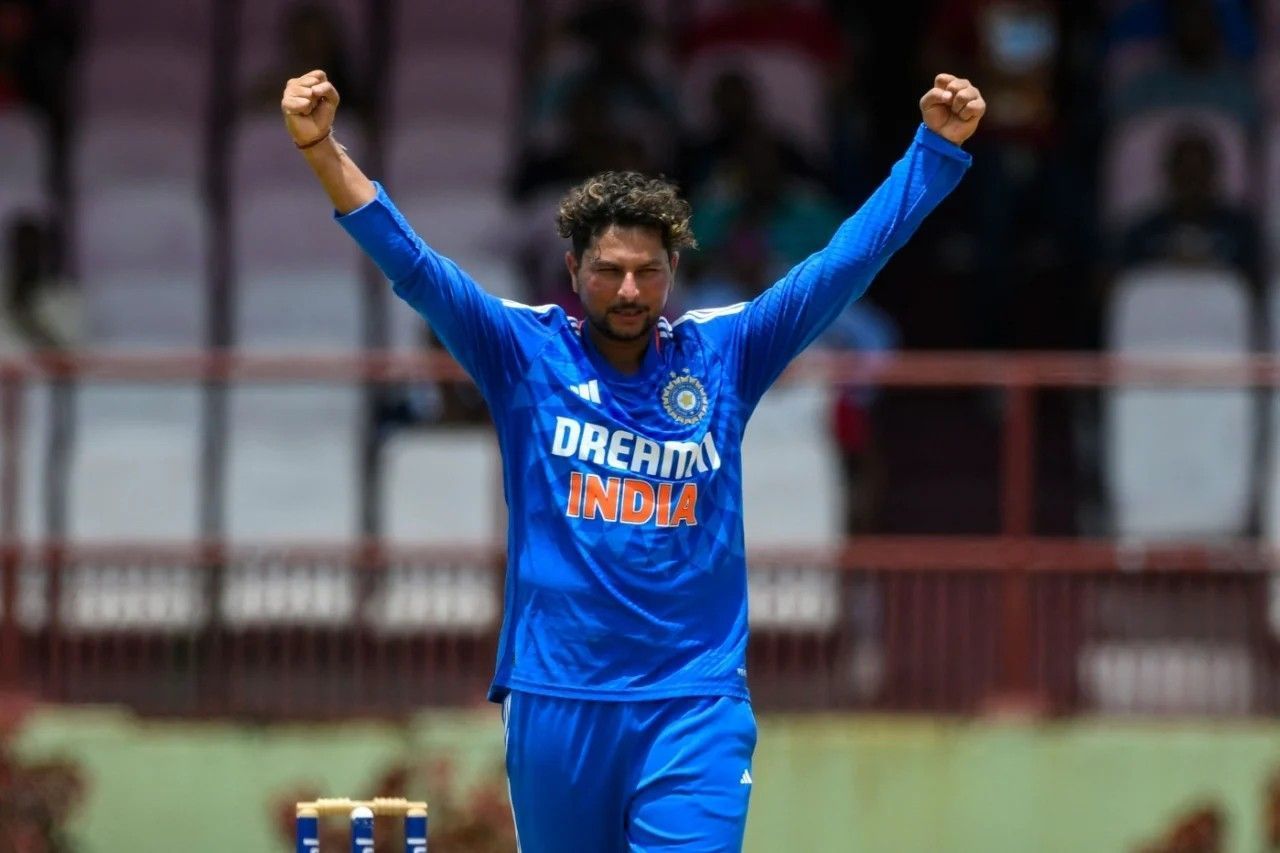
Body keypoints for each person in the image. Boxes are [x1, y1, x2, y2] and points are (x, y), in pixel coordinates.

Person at [281, 67, 983, 851]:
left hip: (694, 701)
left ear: (673, 272)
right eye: (609, 269)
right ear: (574, 269)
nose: (628, 289)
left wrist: (931, 152)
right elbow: (415, 267)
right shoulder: (522, 351)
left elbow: (841, 266)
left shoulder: (726, 353)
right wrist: (321, 151)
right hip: (557, 698)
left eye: (648, 271)